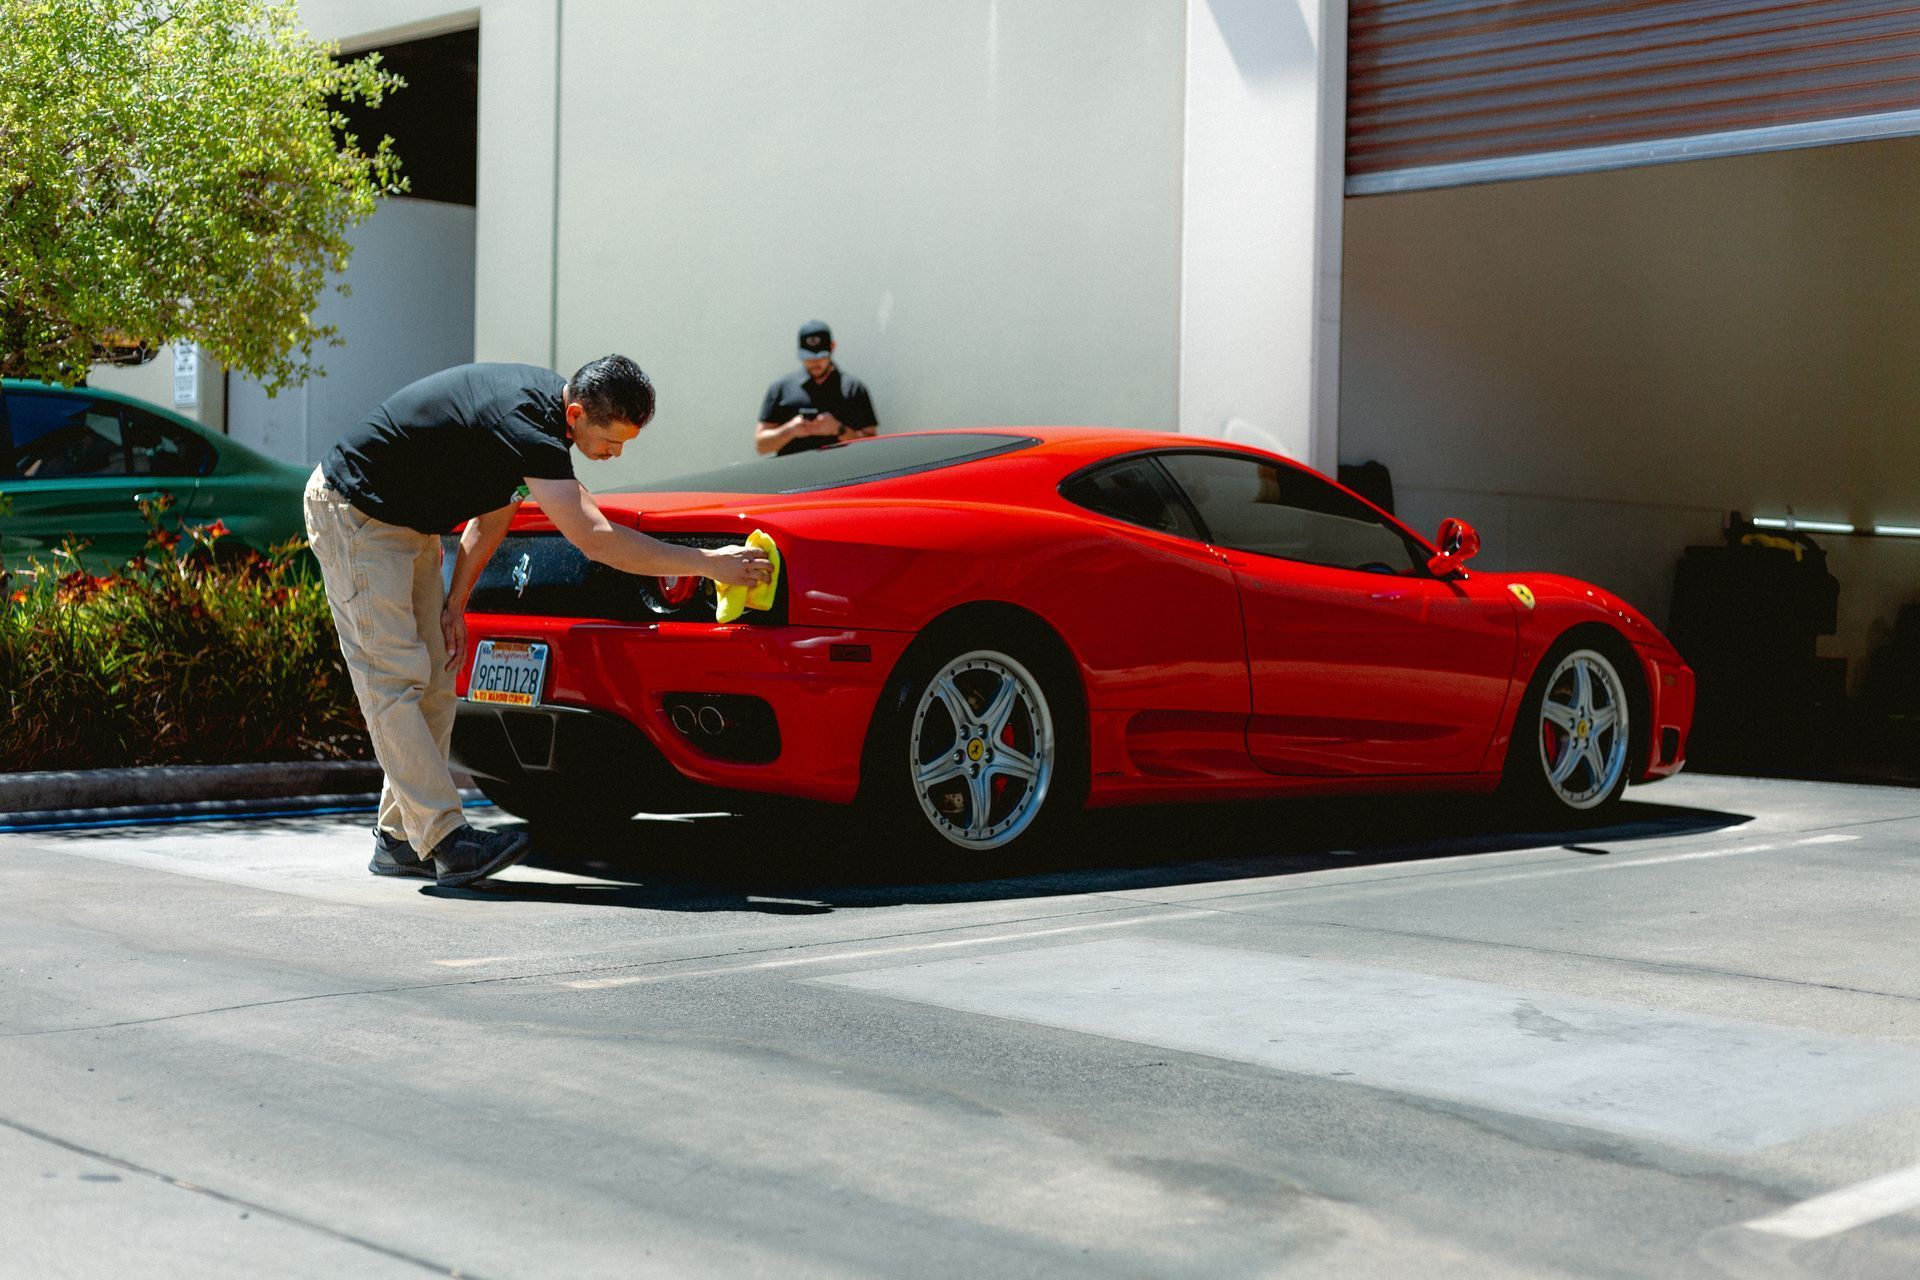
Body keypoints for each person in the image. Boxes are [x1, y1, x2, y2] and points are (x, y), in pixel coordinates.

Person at [304, 357, 772, 888]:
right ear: (576, 413)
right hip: (355, 512)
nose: (614, 455)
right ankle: (444, 839)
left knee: (435, 677)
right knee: (393, 680)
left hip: (410, 526)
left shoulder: (543, 421)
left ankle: (400, 839)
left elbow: (494, 513)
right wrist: (708, 564)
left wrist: (456, 602)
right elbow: (596, 539)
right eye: (611, 441)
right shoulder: (527, 425)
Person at [754, 320, 880, 456]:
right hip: (794, 474)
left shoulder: (853, 389)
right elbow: (761, 446)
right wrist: (791, 430)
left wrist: (838, 429)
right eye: (807, 356)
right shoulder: (781, 389)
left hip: (839, 472)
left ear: (832, 347)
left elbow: (870, 447)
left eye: (820, 355)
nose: (814, 362)